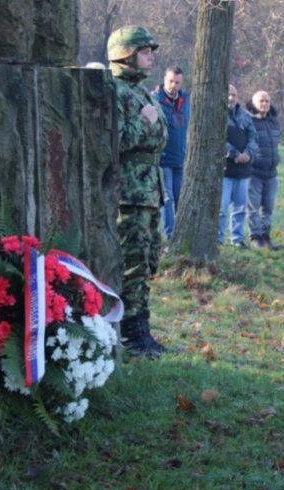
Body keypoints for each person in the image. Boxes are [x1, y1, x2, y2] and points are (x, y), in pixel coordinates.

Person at [107, 25, 170, 358]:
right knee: (132, 262)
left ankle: (141, 328)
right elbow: (113, 141)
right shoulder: (115, 91)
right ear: (126, 55)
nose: (151, 57)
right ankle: (131, 333)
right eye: (145, 51)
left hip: (149, 191)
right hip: (129, 194)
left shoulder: (142, 92)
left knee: (147, 261)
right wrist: (144, 122)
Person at [153, 66, 190, 240]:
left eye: (177, 82)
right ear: (164, 79)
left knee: (180, 198)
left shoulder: (185, 100)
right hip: (163, 158)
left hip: (180, 158)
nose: (174, 85)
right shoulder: (155, 99)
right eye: (171, 81)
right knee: (167, 198)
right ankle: (170, 236)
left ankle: (181, 235)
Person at [218, 84, 258, 248]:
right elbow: (217, 139)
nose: (231, 98)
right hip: (224, 170)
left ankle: (237, 239)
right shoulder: (217, 115)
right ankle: (218, 239)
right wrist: (234, 154)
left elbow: (254, 137)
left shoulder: (245, 116)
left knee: (240, 208)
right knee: (221, 209)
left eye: (234, 95)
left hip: (243, 171)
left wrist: (247, 153)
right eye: (228, 94)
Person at [245, 90, 281, 249]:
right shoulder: (248, 120)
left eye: (267, 101)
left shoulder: (274, 121)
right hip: (254, 172)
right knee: (253, 207)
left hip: (271, 173)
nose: (265, 104)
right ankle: (255, 237)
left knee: (268, 207)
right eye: (261, 101)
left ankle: (266, 237)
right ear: (254, 103)